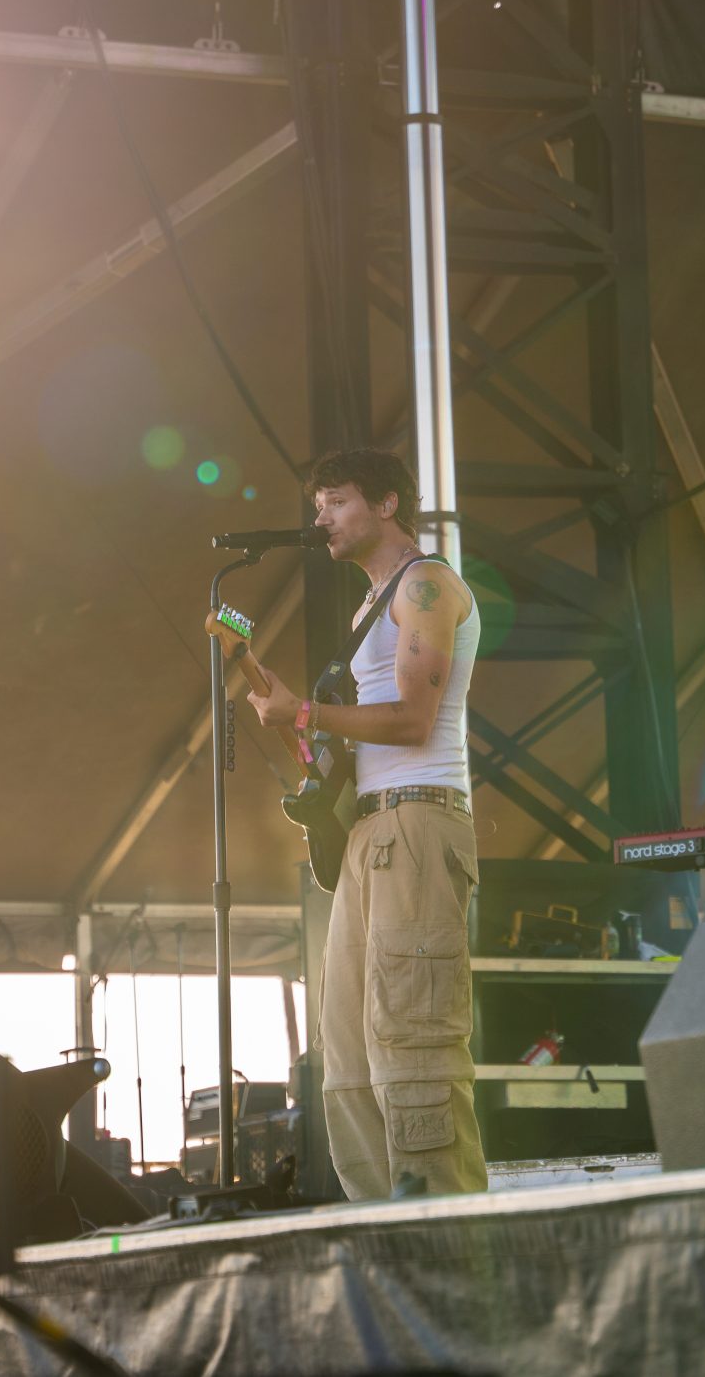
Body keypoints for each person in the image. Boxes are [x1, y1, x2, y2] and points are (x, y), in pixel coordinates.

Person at [239, 448, 487, 1200]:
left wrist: (305, 712)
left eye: (337, 501)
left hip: (419, 819)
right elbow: (359, 738)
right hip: (372, 831)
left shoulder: (427, 585)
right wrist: (299, 728)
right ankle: (384, 1228)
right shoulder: (369, 608)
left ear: (386, 504)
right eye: (317, 505)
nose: (322, 518)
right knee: (348, 1054)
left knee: (412, 1041)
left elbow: (413, 720)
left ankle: (444, 1232)